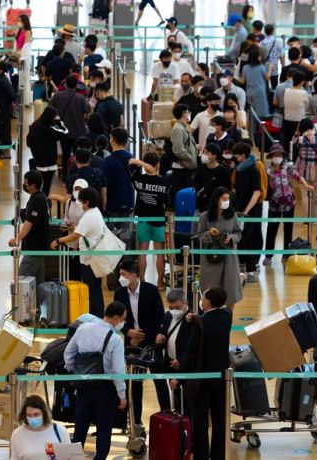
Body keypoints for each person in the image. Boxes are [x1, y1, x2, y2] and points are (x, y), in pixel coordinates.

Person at [63, 301, 127, 460]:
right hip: (105, 389)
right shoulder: (115, 338)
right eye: (123, 319)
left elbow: (68, 354)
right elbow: (117, 371)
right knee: (104, 427)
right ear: (117, 318)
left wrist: (75, 372)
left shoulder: (83, 328)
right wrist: (122, 395)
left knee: (80, 426)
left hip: (83, 385)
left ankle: (73, 457)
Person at [173, 287, 231, 460]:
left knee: (200, 422)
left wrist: (179, 376)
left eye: (204, 298)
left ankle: (202, 456)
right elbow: (221, 310)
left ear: (208, 302)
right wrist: (196, 316)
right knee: (219, 422)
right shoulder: (227, 317)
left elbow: (190, 352)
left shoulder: (201, 324)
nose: (202, 301)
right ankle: (218, 455)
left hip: (201, 382)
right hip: (221, 380)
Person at [115, 260, 169, 424]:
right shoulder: (120, 293)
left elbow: (160, 316)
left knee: (159, 380)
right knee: (135, 385)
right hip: (131, 344)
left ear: (134, 275)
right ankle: (136, 421)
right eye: (120, 274)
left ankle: (167, 416)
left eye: (124, 274)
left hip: (151, 342)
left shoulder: (151, 291)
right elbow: (115, 318)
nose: (121, 277)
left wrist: (141, 336)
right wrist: (128, 332)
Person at [51, 187, 106, 316]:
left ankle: (96, 315)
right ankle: (96, 314)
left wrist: (59, 240)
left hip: (89, 259)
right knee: (94, 288)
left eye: (80, 200)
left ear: (86, 202)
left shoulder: (89, 216)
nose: (79, 203)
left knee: (92, 289)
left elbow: (75, 235)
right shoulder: (95, 212)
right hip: (93, 257)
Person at [264, 144, 314, 265]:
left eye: (279, 155)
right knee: (271, 230)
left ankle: (287, 253)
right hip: (274, 205)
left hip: (289, 203)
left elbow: (298, 176)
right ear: (271, 157)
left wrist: (306, 185)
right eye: (275, 155)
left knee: (288, 229)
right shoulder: (268, 170)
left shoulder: (288, 166)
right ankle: (268, 255)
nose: (277, 157)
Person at [198, 188, 243, 308]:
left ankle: (229, 320)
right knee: (210, 291)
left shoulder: (232, 216)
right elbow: (200, 236)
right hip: (211, 259)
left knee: (230, 290)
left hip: (229, 258)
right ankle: (210, 318)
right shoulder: (204, 217)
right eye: (224, 199)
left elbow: (238, 233)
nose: (226, 201)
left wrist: (231, 237)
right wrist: (209, 233)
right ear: (216, 200)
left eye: (228, 199)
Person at [130, 153, 169, 284]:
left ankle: (142, 280)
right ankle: (160, 282)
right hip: (158, 219)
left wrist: (142, 164)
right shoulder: (164, 182)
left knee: (142, 252)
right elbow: (166, 201)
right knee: (160, 253)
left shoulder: (138, 179)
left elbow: (130, 163)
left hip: (143, 219)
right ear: (158, 164)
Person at [8, 171, 49, 289]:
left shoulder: (37, 199)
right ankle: (38, 307)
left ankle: (25, 307)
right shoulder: (37, 197)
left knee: (22, 279)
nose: (24, 185)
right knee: (38, 282)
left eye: (26, 183)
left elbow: (29, 223)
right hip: (37, 247)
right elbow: (28, 213)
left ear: (33, 185)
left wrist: (17, 239)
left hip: (34, 248)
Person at [154, 289, 192, 413]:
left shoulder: (192, 320)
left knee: (187, 403)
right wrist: (161, 337)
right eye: (171, 307)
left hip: (186, 366)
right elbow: (165, 332)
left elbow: (193, 346)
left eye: (177, 307)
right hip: (170, 363)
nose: (174, 310)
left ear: (185, 303)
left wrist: (181, 361)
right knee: (175, 399)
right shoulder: (168, 316)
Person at [49, 75, 90, 179]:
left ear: (65, 84)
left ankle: (65, 176)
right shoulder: (80, 98)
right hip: (78, 131)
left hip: (64, 131)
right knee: (78, 154)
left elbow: (50, 111)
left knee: (65, 154)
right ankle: (76, 175)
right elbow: (85, 116)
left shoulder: (57, 96)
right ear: (76, 85)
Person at [233, 142, 263, 280]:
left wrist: (247, 210)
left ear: (243, 155)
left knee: (246, 239)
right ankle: (244, 266)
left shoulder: (254, 170)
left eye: (237, 155)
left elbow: (257, 192)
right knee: (242, 239)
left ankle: (251, 269)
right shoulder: (239, 170)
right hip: (240, 210)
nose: (235, 158)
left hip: (251, 210)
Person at [10, 395, 71, 460]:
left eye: (36, 414)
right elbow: (14, 458)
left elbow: (69, 456)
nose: (32, 418)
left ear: (44, 413)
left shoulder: (59, 431)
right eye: (29, 415)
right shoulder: (17, 434)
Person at [26, 107, 68, 197]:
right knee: (47, 185)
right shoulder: (51, 130)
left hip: (38, 161)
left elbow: (28, 143)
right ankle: (44, 202)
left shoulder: (34, 127)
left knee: (37, 185)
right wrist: (59, 122)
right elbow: (65, 133)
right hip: (50, 162)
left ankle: (36, 200)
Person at [171, 103, 198, 204]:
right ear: (183, 113)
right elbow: (178, 149)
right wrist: (190, 158)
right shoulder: (178, 128)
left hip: (186, 167)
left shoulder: (183, 127)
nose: (189, 114)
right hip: (181, 168)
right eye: (188, 112)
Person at [193, 143, 231, 212]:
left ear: (214, 156)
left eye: (206, 153)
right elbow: (196, 186)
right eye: (203, 152)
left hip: (217, 208)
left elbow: (226, 191)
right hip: (200, 206)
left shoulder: (223, 172)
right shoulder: (200, 169)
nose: (203, 155)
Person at [281, 71, 310, 155]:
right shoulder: (304, 93)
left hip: (287, 119)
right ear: (302, 81)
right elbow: (307, 107)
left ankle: (288, 157)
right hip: (299, 122)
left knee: (288, 141)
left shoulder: (286, 91)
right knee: (298, 143)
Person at [240, 48, 271, 120]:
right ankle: (260, 130)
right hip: (259, 93)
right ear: (257, 57)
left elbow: (242, 81)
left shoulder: (245, 67)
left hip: (249, 93)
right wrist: (270, 68)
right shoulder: (261, 67)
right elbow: (267, 77)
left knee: (251, 114)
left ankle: (252, 130)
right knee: (262, 114)